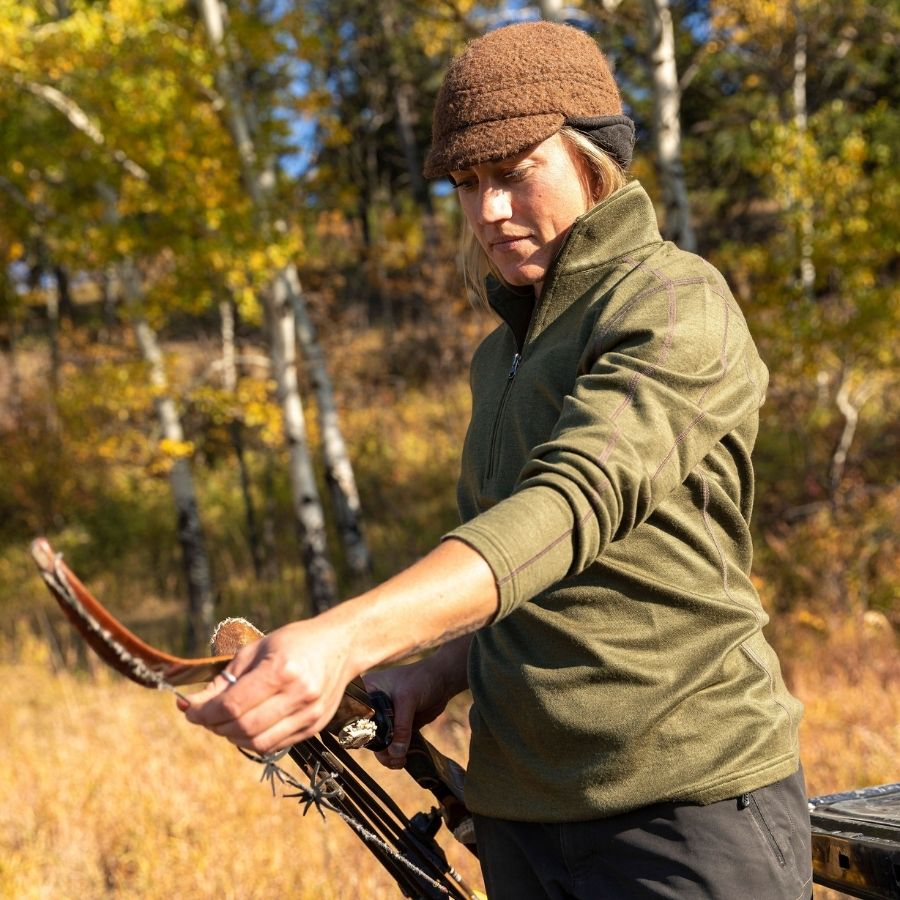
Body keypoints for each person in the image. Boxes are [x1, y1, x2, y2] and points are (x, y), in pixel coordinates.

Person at [181, 21, 813, 899]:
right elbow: (543, 571)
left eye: (516, 173)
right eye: (468, 184)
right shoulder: (502, 351)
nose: (489, 213)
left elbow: (569, 506)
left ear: (594, 160)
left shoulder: (673, 304)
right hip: (521, 815)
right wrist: (435, 670)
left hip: (681, 811)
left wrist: (345, 636)